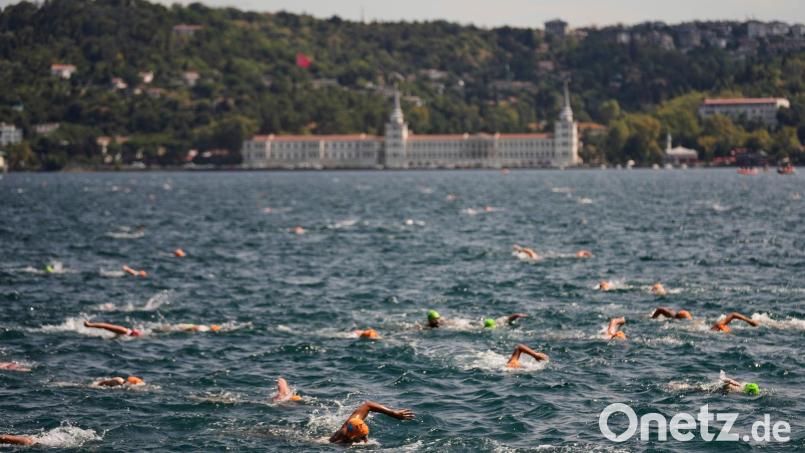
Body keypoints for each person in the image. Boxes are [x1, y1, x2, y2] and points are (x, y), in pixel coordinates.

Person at [329, 401, 414, 444]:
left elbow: (368, 405)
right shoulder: (342, 443)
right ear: (352, 437)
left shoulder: (352, 422)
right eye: (362, 437)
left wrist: (394, 413)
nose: (365, 440)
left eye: (365, 436)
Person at [425, 310, 527, 329]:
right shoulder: (431, 325)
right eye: (435, 319)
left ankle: (511, 317)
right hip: (460, 323)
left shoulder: (440, 323)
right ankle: (511, 318)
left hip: (461, 325)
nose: (437, 320)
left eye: (438, 318)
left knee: (478, 327)